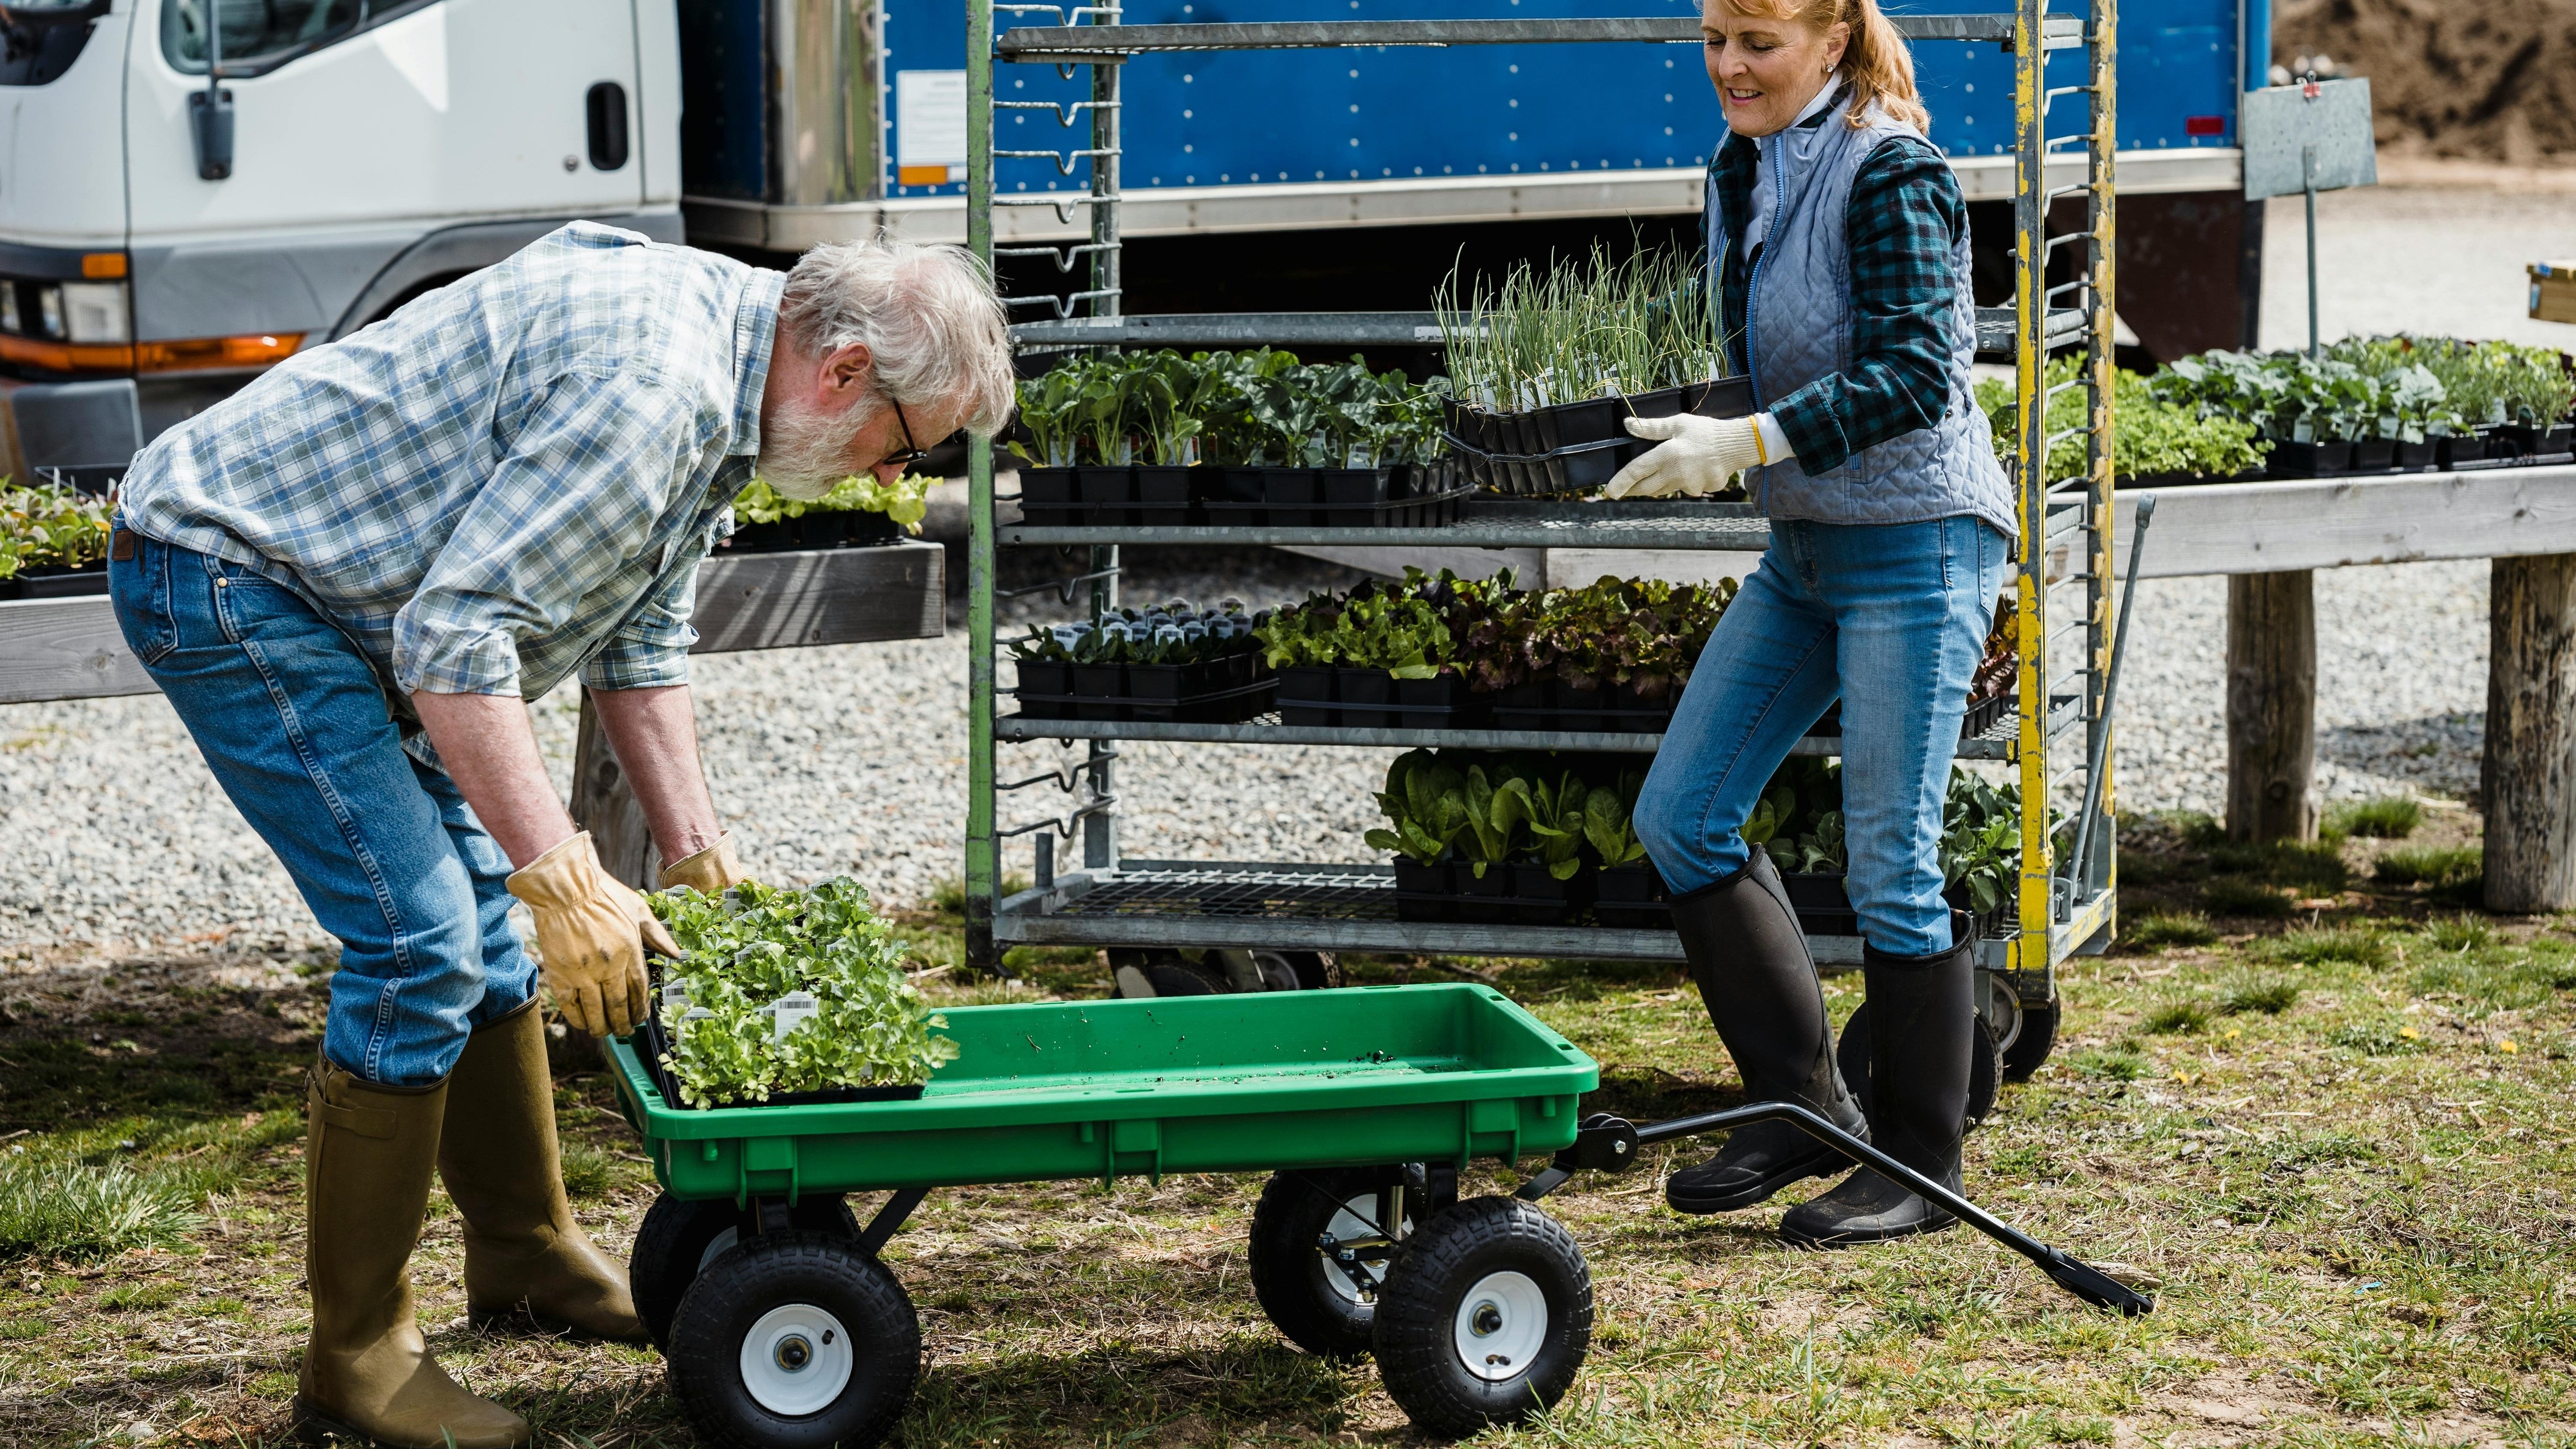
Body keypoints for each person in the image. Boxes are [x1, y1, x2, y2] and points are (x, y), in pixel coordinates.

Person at [108, 223, 1013, 1449]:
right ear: (847, 371)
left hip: (342, 594)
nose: (892, 477)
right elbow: (455, 644)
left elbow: (637, 642)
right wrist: (562, 878)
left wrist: (696, 852)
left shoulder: (744, 367)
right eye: (908, 447)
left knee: (484, 935)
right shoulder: (649, 394)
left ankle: (525, 1256)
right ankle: (356, 1356)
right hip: (233, 575)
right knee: (422, 943)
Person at [1606, 0, 2014, 1246]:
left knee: (1889, 863)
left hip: (1917, 543)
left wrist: (1747, 442)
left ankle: (1917, 1169)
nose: (1730, 66)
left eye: (1759, 42)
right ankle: (1799, 1103)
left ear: (1832, 43)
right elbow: (1770, 346)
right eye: (1716, 37)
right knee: (1681, 815)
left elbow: (1913, 375)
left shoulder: (1895, 171)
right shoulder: (1740, 166)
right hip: (1808, 550)